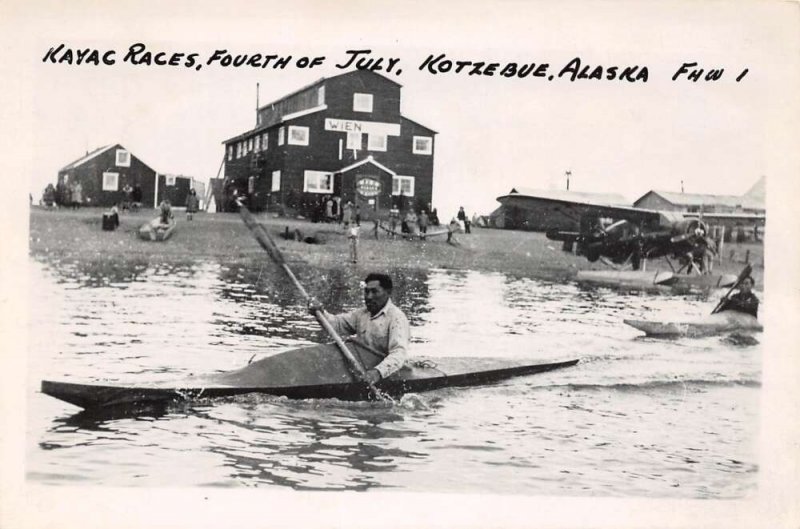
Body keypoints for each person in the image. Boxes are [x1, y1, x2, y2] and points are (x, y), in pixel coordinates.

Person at [308, 273, 409, 383]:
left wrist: (377, 373)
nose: (369, 297)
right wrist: (320, 312)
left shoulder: (397, 318)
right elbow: (337, 324)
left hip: (386, 373)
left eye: (374, 292)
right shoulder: (361, 314)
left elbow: (399, 353)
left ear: (388, 293)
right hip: (363, 370)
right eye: (367, 291)